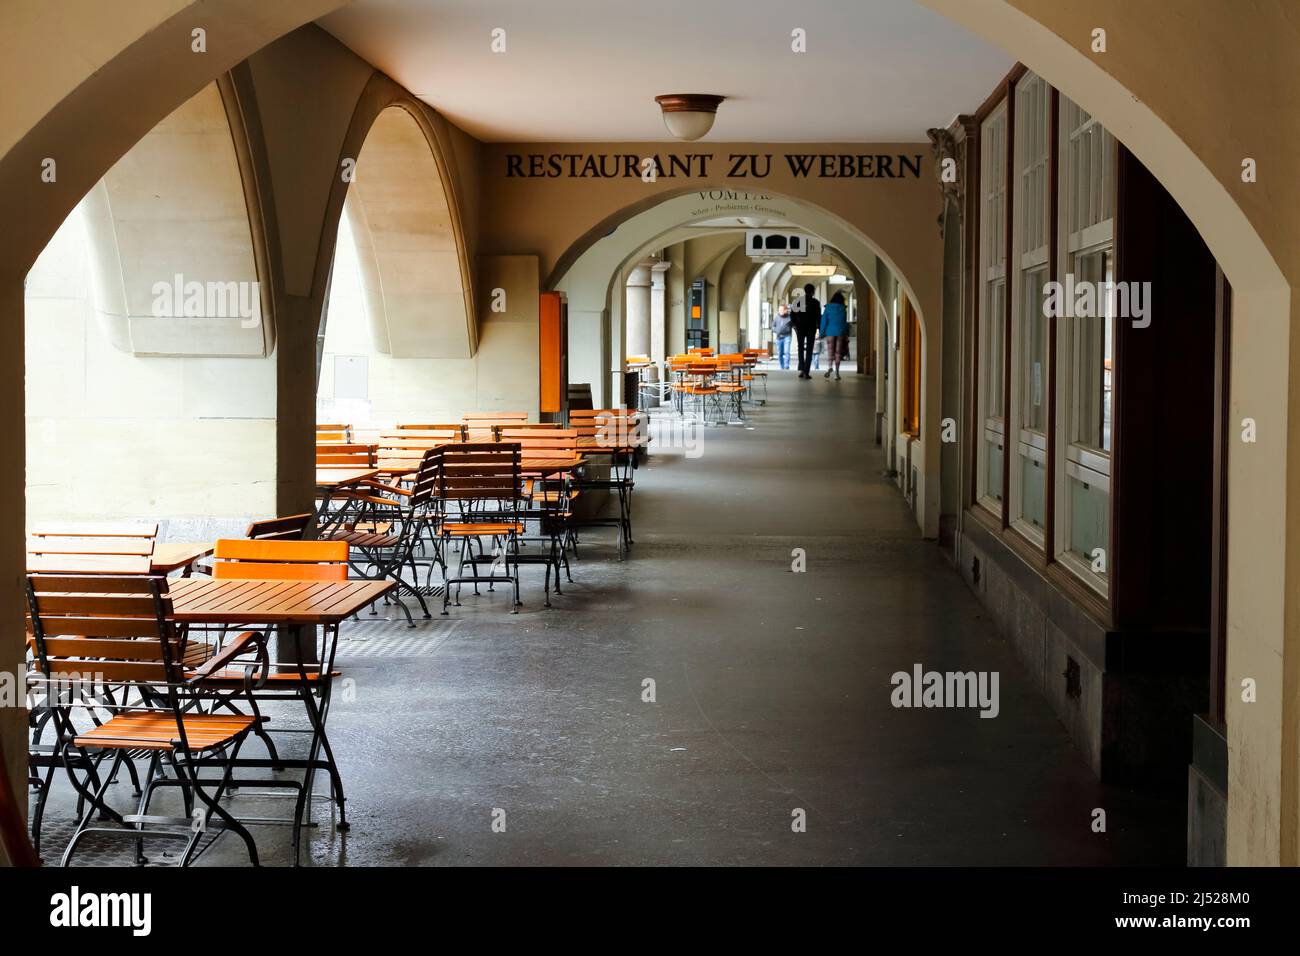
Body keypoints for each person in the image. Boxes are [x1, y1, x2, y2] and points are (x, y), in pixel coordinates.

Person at [791, 283, 821, 379]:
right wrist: (820, 328)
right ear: (813, 292)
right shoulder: (815, 302)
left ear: (804, 291)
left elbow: (792, 315)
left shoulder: (797, 301)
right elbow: (818, 317)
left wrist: (796, 325)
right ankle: (806, 371)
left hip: (800, 328)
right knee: (809, 349)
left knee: (800, 348)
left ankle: (801, 369)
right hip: (811, 328)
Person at [820, 290, 850, 380]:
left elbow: (824, 321)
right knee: (838, 353)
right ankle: (837, 373)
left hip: (830, 332)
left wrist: (822, 333)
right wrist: (846, 333)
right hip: (840, 332)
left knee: (830, 351)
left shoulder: (828, 308)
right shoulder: (843, 309)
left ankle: (829, 366)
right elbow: (844, 322)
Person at [772, 303, 793, 369]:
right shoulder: (776, 317)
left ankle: (786, 365)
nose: (780, 311)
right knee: (780, 353)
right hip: (779, 337)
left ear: (786, 310)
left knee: (787, 351)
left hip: (787, 336)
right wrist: (776, 330)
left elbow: (794, 325)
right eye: (779, 310)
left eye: (781, 310)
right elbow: (773, 326)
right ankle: (782, 366)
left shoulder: (790, 317)